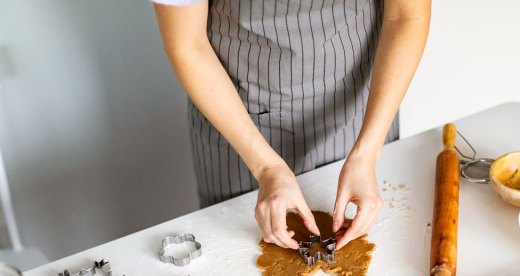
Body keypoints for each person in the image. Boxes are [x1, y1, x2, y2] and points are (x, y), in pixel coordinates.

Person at [153, 0, 430, 250]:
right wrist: (266, 167)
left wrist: (367, 154)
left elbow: (406, 16)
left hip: (362, 112)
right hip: (239, 121)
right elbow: (187, 45)